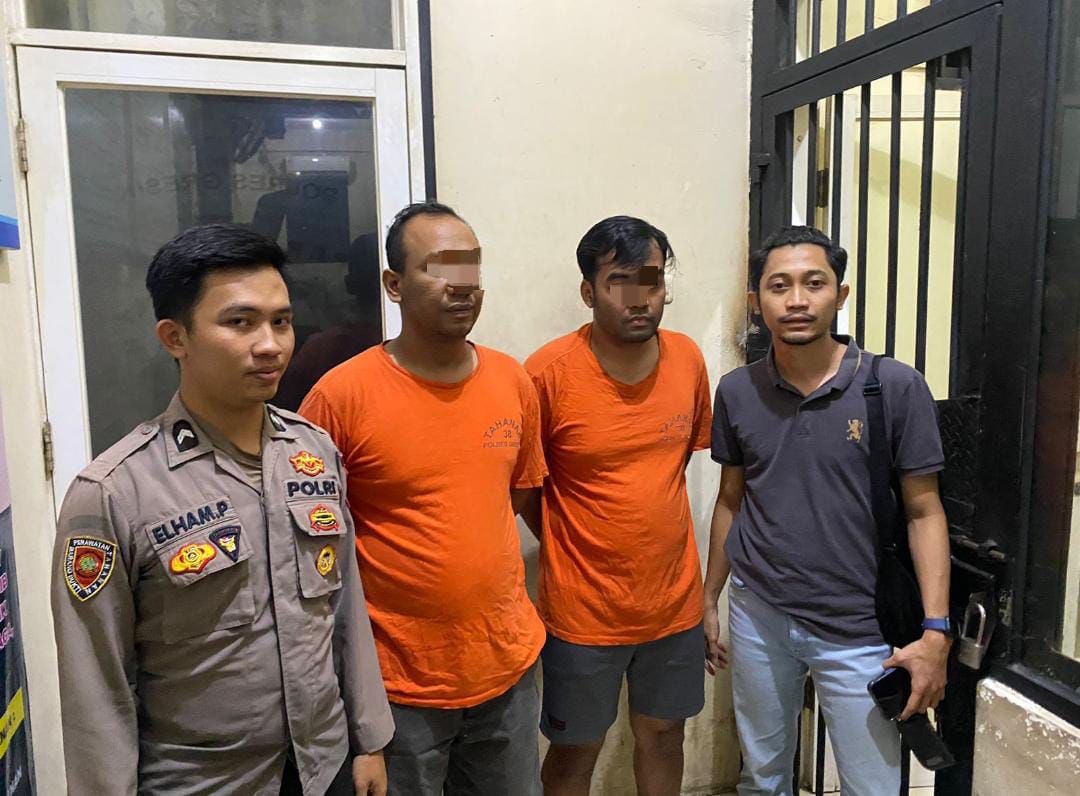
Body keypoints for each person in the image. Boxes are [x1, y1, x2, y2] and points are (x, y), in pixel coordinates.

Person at [51, 224, 393, 796]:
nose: (271, 344)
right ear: (174, 337)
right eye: (240, 322)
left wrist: (369, 738)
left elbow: (344, 608)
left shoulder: (313, 453)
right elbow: (95, 685)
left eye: (281, 321)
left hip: (324, 766)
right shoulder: (114, 492)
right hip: (203, 782)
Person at [299, 201, 547, 795]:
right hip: (396, 687)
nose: (463, 286)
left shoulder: (512, 381)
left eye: (471, 268)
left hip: (506, 670)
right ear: (394, 285)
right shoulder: (340, 397)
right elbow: (310, 547)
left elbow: (511, 496)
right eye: (441, 268)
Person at [703, 226, 952, 795]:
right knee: (762, 778)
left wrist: (936, 630)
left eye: (813, 284)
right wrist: (708, 598)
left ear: (840, 295)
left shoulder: (892, 386)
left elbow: (925, 511)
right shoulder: (737, 391)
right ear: (756, 302)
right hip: (759, 611)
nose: (796, 300)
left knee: (872, 785)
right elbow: (731, 499)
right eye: (779, 286)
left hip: (860, 627)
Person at [521, 216, 712, 795]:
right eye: (620, 282)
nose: (640, 299)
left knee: (665, 737)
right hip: (583, 613)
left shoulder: (687, 359)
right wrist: (577, 538)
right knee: (575, 750)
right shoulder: (547, 374)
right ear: (589, 292)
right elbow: (525, 489)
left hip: (674, 606)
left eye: (651, 281)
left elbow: (670, 468)